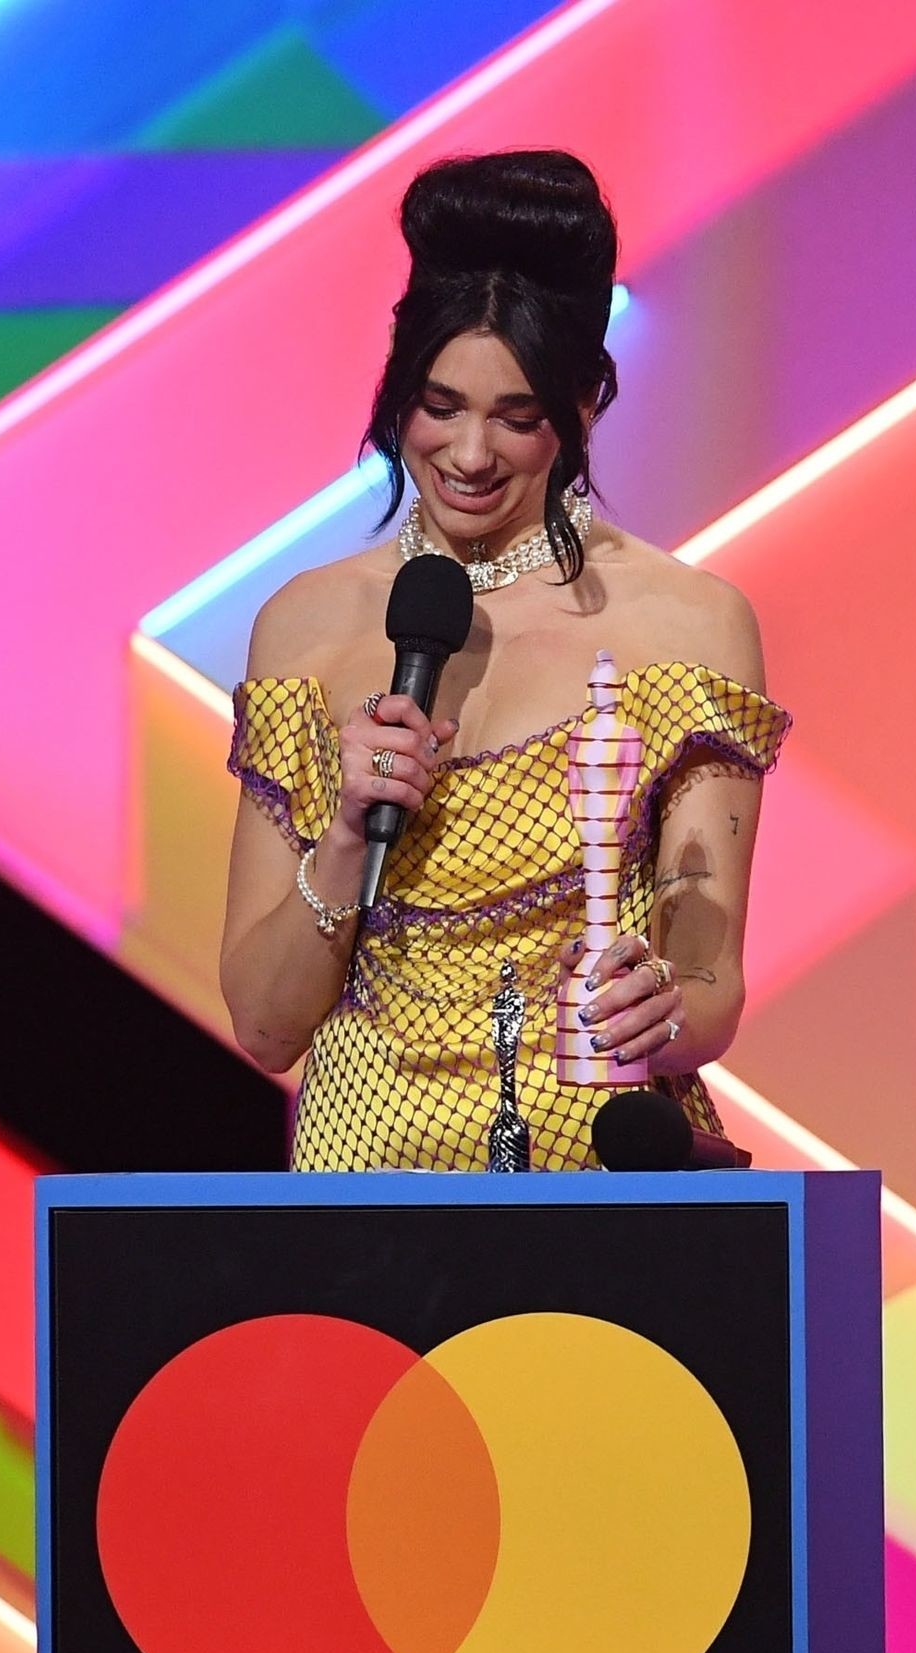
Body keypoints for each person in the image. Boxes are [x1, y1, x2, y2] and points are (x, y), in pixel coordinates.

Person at [221, 150, 791, 1171]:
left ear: (583, 406)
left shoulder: (686, 629)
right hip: (366, 1187)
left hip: (600, 1168)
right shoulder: (306, 630)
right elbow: (265, 1027)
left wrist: (661, 1005)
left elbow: (711, 992)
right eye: (440, 407)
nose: (471, 454)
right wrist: (346, 834)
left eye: (516, 418)